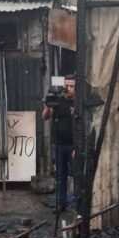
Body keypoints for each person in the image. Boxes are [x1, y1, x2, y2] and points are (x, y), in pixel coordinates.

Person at [41, 75, 75, 212]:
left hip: (74, 145)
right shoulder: (58, 101)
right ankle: (61, 203)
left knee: (77, 175)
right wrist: (48, 106)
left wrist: (78, 146)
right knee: (61, 175)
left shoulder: (79, 103)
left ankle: (78, 204)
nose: (68, 88)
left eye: (72, 86)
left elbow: (85, 124)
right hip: (59, 144)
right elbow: (44, 117)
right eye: (66, 85)